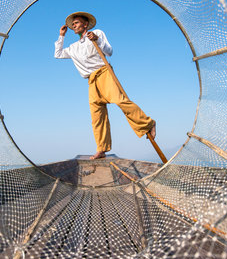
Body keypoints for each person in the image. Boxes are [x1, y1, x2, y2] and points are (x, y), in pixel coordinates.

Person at [54, 11, 156, 160]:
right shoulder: (73, 47)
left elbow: (110, 52)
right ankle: (101, 149)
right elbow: (58, 54)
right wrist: (61, 36)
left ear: (85, 24)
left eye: (76, 22)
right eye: (72, 24)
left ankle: (148, 124)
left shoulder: (96, 33)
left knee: (120, 100)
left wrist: (97, 40)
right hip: (91, 80)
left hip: (104, 72)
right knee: (97, 116)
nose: (73, 25)